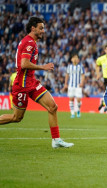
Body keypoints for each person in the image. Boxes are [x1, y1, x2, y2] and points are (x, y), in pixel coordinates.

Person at [0, 16, 73, 148]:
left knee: (52, 107)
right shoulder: (29, 43)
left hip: (31, 82)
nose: (43, 31)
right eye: (41, 28)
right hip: (22, 85)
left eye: (43, 28)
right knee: (16, 118)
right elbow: (24, 64)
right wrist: (43, 67)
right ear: (33, 28)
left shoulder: (31, 42)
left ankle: (56, 140)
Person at [63, 54, 85, 118]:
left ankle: (78, 110)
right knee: (71, 99)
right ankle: (72, 113)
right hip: (71, 85)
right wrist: (65, 84)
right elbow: (67, 75)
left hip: (78, 86)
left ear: (78, 60)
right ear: (71, 59)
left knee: (78, 100)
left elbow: (83, 75)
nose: (75, 59)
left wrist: (82, 83)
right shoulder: (69, 67)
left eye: (76, 58)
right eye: (74, 58)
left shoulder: (81, 67)